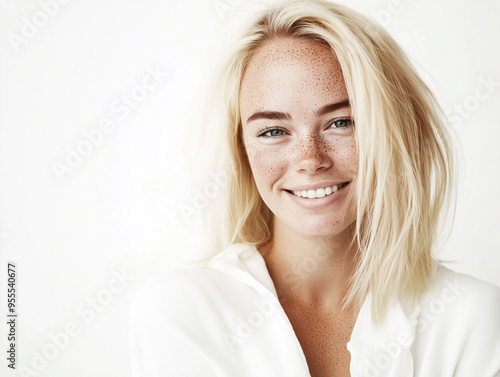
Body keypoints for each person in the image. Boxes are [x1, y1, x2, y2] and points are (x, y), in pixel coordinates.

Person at [129, 0, 500, 376]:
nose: (311, 158)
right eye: (273, 131)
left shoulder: (474, 317)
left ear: (393, 132)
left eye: (342, 122)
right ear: (242, 150)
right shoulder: (182, 311)